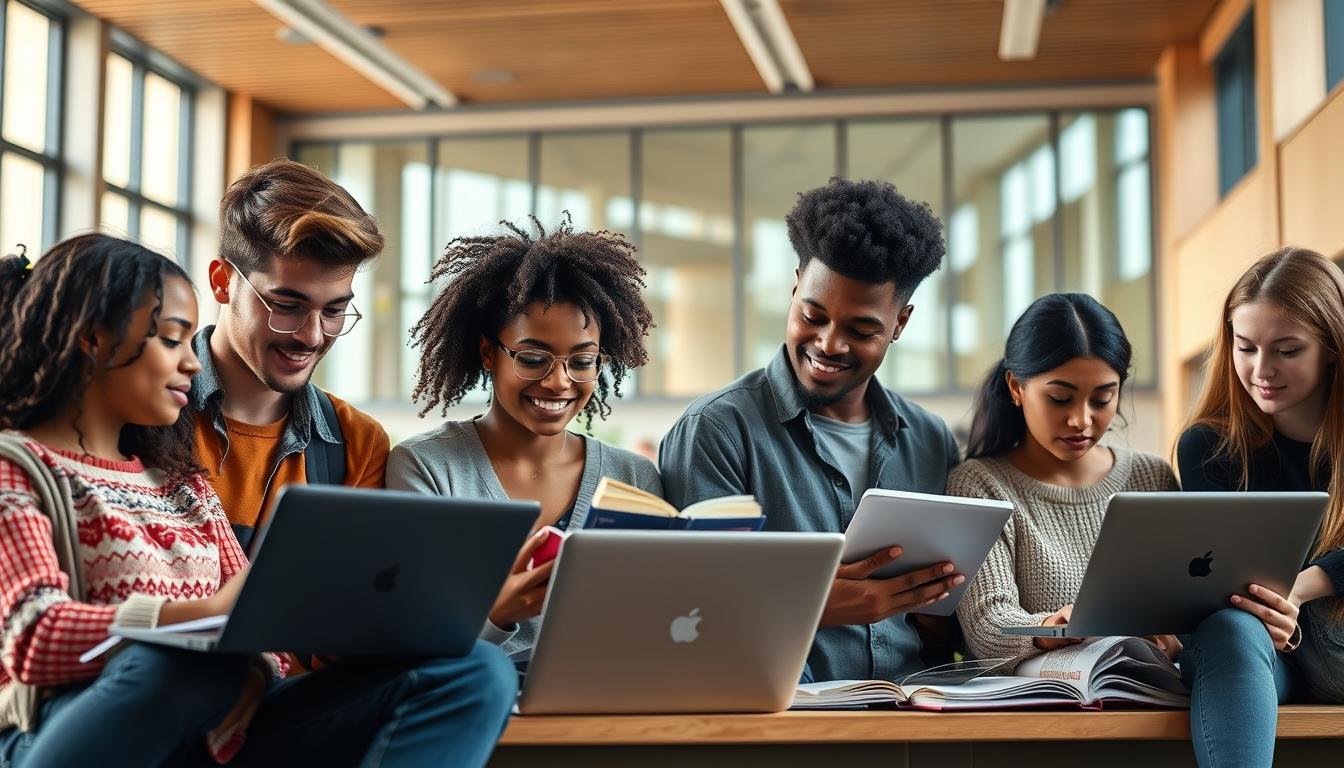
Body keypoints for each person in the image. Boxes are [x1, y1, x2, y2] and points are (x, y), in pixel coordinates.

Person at [0, 235, 515, 767]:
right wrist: (200, 622)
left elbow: (262, 636)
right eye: (173, 341)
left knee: (474, 671)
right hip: (69, 730)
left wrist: (252, 663)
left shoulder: (182, 483)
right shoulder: (17, 468)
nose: (192, 365)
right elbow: (34, 636)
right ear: (93, 340)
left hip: (218, 733)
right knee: (181, 664)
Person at [659, 177, 963, 683]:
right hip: (781, 722)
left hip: (915, 712)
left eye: (861, 330)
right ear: (795, 285)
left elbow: (941, 625)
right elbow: (688, 614)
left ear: (901, 324)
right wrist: (814, 603)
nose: (828, 344)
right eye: (812, 315)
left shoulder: (930, 440)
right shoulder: (716, 432)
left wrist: (938, 615)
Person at [387, 215, 660, 657]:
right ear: (487, 353)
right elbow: (412, 637)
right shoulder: (428, 469)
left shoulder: (635, 478)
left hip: (611, 706)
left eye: (582, 361)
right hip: (482, 706)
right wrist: (497, 615)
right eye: (533, 358)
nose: (558, 382)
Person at [1175, 246, 1344, 767]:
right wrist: (1266, 611)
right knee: (1230, 627)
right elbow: (1211, 582)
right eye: (1245, 348)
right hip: (1273, 653)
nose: (1261, 370)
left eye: (1287, 350)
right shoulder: (1208, 447)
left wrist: (1299, 587)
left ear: (1333, 347)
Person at [948, 293, 1178, 666]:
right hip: (1040, 716)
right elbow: (987, 626)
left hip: (1149, 703)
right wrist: (1049, 629)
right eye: (1059, 398)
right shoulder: (980, 486)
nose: (1081, 420)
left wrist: (1174, 639)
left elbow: (1188, 602)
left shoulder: (1152, 478)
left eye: (1102, 399)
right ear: (1016, 388)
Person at [190, 159, 390, 553]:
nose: (312, 336)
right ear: (222, 282)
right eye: (286, 305)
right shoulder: (137, 415)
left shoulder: (357, 446)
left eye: (333, 311)